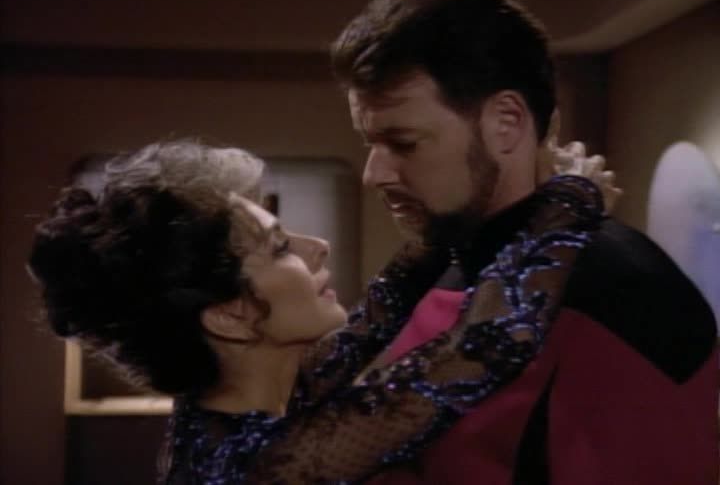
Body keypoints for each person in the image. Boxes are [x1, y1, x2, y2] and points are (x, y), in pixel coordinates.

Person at [321, 0, 719, 485]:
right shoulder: (441, 268)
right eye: (371, 144)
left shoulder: (614, 288)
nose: (374, 175)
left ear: (505, 123)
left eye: (404, 143)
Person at [27, 140, 614, 484]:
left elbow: (381, 310)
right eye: (281, 247)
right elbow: (490, 344)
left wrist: (465, 205)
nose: (319, 247)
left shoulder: (238, 401)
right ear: (230, 315)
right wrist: (574, 196)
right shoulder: (265, 463)